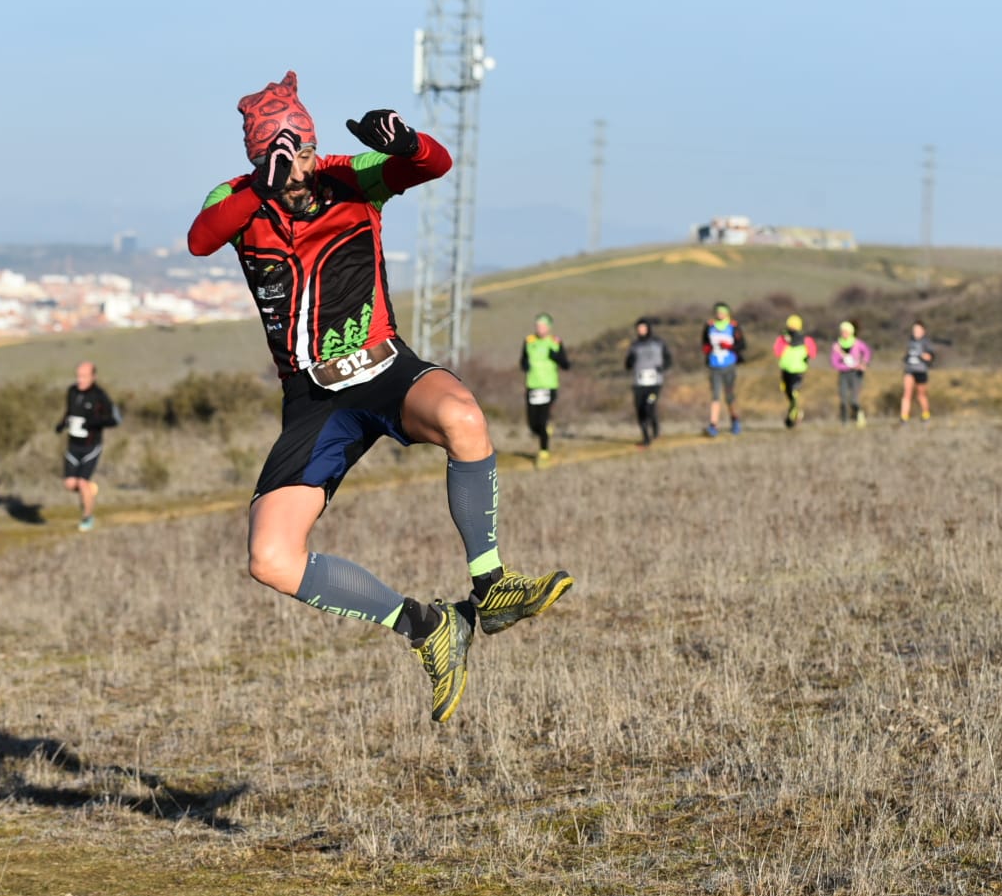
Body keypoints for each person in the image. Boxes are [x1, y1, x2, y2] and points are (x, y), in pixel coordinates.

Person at [186, 70, 572, 724]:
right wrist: (260, 183)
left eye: (302, 151)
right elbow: (200, 239)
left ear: (313, 146)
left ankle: (492, 585)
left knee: (464, 418)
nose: (298, 167)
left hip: (385, 368)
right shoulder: (240, 199)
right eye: (279, 155)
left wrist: (407, 141)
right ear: (257, 158)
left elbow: (434, 164)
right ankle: (431, 628)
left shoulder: (350, 177)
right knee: (270, 558)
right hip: (313, 399)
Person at [57, 361, 120, 531]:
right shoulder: (72, 391)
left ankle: (87, 517)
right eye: (78, 376)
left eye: (84, 376)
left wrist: (93, 423)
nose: (80, 379)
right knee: (70, 484)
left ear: (93, 377)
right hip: (73, 445)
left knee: (83, 482)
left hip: (91, 446)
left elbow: (114, 419)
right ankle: (89, 492)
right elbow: (69, 412)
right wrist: (62, 424)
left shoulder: (100, 396)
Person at [518, 314, 568, 466]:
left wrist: (555, 356)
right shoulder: (528, 341)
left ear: (549, 327)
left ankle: (544, 452)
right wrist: (525, 365)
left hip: (549, 386)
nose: (539, 328)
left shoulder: (555, 342)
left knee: (543, 420)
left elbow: (566, 364)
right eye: (537, 325)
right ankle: (544, 430)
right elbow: (523, 360)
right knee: (532, 424)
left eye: (543, 326)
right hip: (532, 386)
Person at [625, 317, 672, 447]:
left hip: (654, 383)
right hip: (639, 383)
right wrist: (630, 361)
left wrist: (662, 368)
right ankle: (646, 436)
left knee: (649, 407)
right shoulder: (634, 346)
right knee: (640, 410)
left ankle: (654, 429)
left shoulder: (658, 343)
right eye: (639, 328)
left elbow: (668, 359)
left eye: (643, 327)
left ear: (649, 328)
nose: (641, 330)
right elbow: (627, 364)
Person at [700, 301, 745, 437]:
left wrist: (729, 347)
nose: (720, 314)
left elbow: (742, 344)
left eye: (722, 311)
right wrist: (708, 351)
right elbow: (704, 343)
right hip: (714, 366)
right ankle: (713, 425)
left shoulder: (734, 326)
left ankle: (735, 419)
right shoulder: (709, 326)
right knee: (715, 396)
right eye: (718, 311)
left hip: (729, 365)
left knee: (729, 396)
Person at [772, 314, 817, 429]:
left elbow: (812, 353)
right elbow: (777, 352)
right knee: (787, 392)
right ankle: (796, 412)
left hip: (798, 370)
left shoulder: (806, 340)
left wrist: (805, 356)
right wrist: (785, 342)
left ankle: (791, 417)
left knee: (793, 393)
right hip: (785, 369)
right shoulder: (783, 339)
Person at [830, 321, 872, 426]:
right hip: (843, 374)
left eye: (846, 331)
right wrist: (846, 366)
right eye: (842, 331)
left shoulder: (857, 343)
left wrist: (863, 363)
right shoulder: (837, 346)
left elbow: (867, 352)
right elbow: (834, 362)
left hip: (856, 374)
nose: (844, 333)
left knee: (854, 399)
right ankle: (844, 422)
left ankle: (859, 416)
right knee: (843, 398)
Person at [900, 321, 935, 423]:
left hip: (921, 371)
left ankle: (926, 414)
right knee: (907, 393)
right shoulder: (910, 342)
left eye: (918, 329)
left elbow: (930, 356)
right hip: (909, 370)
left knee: (921, 395)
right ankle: (904, 416)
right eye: (914, 329)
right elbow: (906, 355)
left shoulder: (926, 343)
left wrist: (925, 356)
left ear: (923, 331)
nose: (916, 331)